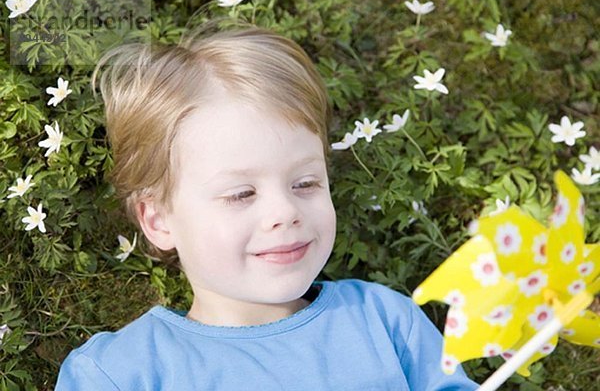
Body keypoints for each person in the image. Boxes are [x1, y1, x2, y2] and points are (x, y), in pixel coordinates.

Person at [56, 23, 478, 390]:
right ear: (159, 219)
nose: (285, 212)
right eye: (241, 194)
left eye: (305, 183)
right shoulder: (118, 375)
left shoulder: (386, 323)